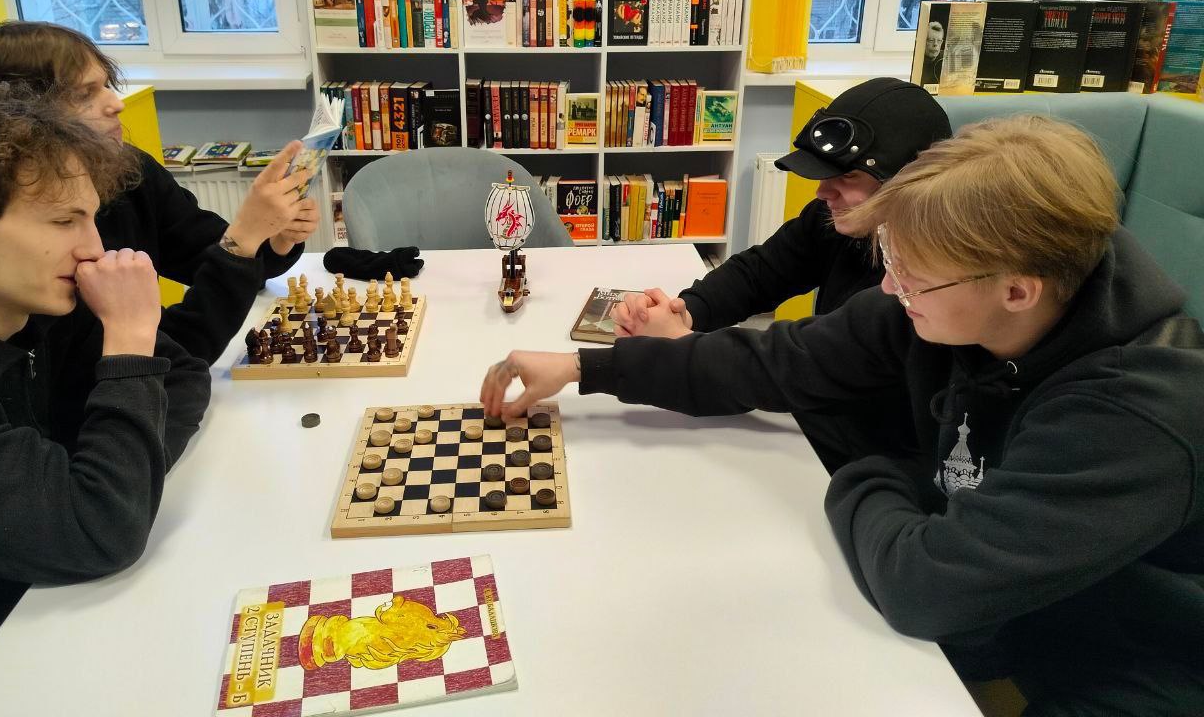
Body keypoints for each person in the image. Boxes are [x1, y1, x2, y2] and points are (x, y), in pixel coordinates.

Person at [481, 116, 1204, 716]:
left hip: (1132, 653)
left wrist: (867, 469)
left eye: (912, 275)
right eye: (889, 257)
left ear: (1017, 291)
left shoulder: (1136, 415)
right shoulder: (955, 296)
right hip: (1004, 601)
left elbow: (925, 588)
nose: (889, 286)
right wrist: (586, 368)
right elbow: (778, 360)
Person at [0, 84, 212, 715]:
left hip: (50, 611)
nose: (93, 249)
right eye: (63, 222)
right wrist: (128, 341)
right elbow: (100, 531)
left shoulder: (40, 304)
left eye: (92, 219)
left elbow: (185, 377)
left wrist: (120, 477)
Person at [612, 77, 951, 471]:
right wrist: (686, 312)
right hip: (814, 426)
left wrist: (680, 345)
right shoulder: (840, 218)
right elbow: (760, 272)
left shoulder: (926, 285)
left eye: (846, 177)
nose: (823, 192)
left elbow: (794, 364)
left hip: (873, 462)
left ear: (912, 183)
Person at [0, 21, 319, 364]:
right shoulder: (25, 257)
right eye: (85, 94)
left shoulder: (130, 169)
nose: (116, 103)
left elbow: (216, 259)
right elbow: (165, 358)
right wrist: (244, 240)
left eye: (106, 85)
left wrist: (274, 238)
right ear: (21, 118)